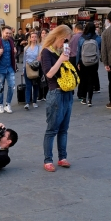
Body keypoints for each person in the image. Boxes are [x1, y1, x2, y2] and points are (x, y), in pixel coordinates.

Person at [40, 25, 74, 172]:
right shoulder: (46, 52)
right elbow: (49, 74)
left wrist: (67, 58)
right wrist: (61, 59)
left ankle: (62, 157)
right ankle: (48, 159)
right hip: (56, 93)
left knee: (64, 129)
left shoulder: (61, 51)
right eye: (66, 40)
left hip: (68, 93)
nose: (66, 43)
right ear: (59, 36)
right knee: (52, 129)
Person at [77, 22, 102, 107]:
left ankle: (83, 98)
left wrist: (78, 62)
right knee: (91, 80)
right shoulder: (98, 38)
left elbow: (78, 52)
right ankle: (90, 100)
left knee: (83, 80)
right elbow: (99, 49)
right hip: (94, 62)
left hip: (83, 61)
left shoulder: (82, 38)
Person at [23, 32, 40, 110]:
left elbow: (40, 59)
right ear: (29, 38)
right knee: (28, 86)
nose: (34, 39)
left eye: (35, 37)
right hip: (28, 68)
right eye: (32, 37)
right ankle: (27, 102)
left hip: (36, 68)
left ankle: (34, 101)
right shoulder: (26, 48)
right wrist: (23, 69)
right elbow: (24, 59)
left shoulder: (39, 47)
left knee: (35, 86)